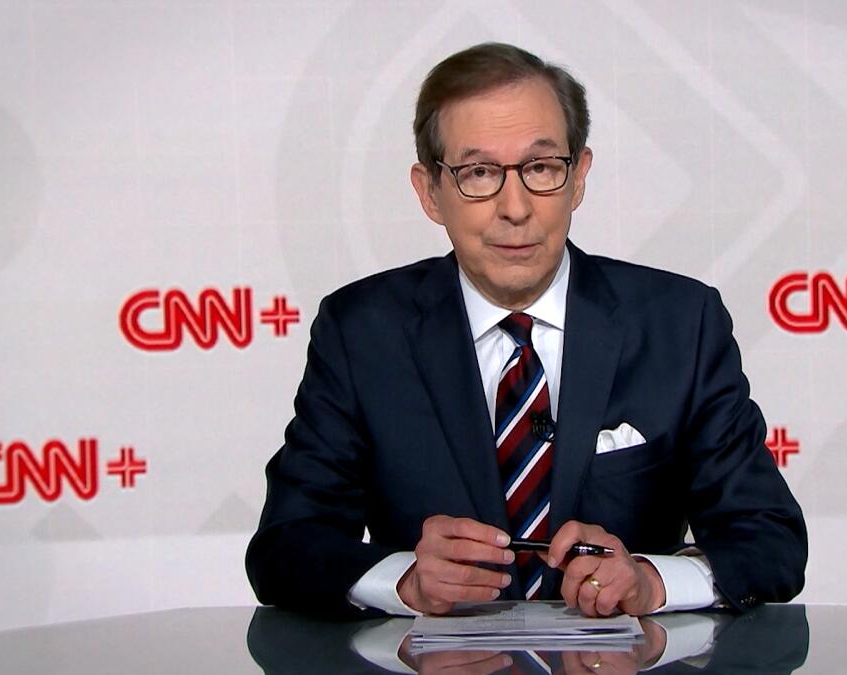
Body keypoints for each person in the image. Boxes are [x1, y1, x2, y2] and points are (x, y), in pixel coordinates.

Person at [246, 42, 806, 619]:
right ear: (429, 192)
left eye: (540, 168)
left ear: (579, 177)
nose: (515, 208)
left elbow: (771, 540)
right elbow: (285, 547)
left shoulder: (680, 324)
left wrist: (651, 580)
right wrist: (404, 580)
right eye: (479, 173)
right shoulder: (361, 332)